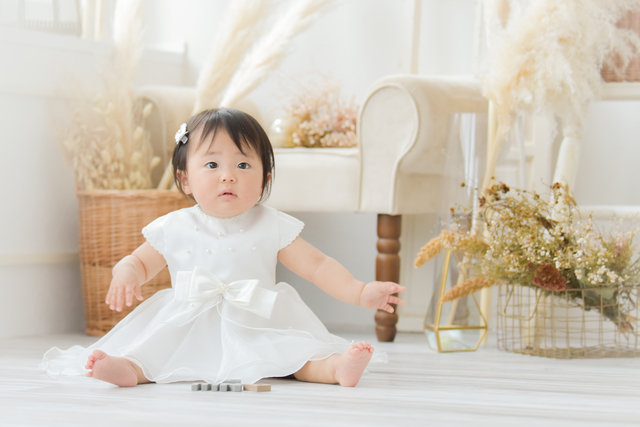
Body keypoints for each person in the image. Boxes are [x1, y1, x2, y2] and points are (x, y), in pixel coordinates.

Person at [41, 108, 405, 388]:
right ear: (185, 179)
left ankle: (335, 368)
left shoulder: (271, 223)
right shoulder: (175, 226)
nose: (228, 175)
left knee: (294, 355)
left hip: (257, 320)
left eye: (243, 164)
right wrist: (126, 271)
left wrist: (360, 291)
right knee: (156, 349)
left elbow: (318, 265)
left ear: (264, 179)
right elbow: (140, 261)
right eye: (212, 164)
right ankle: (128, 369)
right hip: (187, 320)